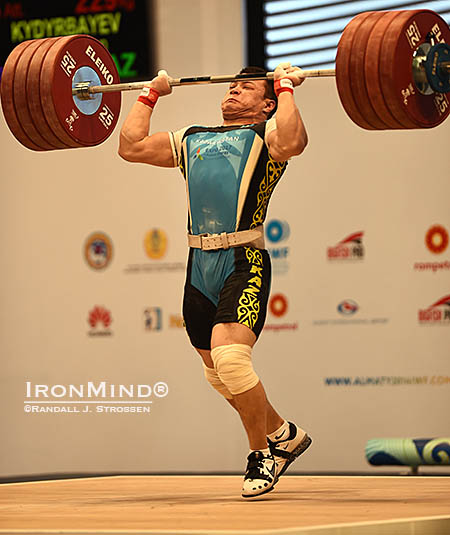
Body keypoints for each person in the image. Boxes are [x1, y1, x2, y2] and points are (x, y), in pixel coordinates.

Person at [118, 62, 311, 498]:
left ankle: (262, 454)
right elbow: (130, 147)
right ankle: (285, 434)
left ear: (266, 105)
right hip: (197, 263)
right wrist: (151, 94)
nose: (234, 90)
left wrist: (285, 89)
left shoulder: (267, 137)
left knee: (232, 362)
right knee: (215, 374)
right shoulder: (192, 138)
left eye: (247, 88)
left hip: (244, 258)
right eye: (233, 85)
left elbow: (294, 141)